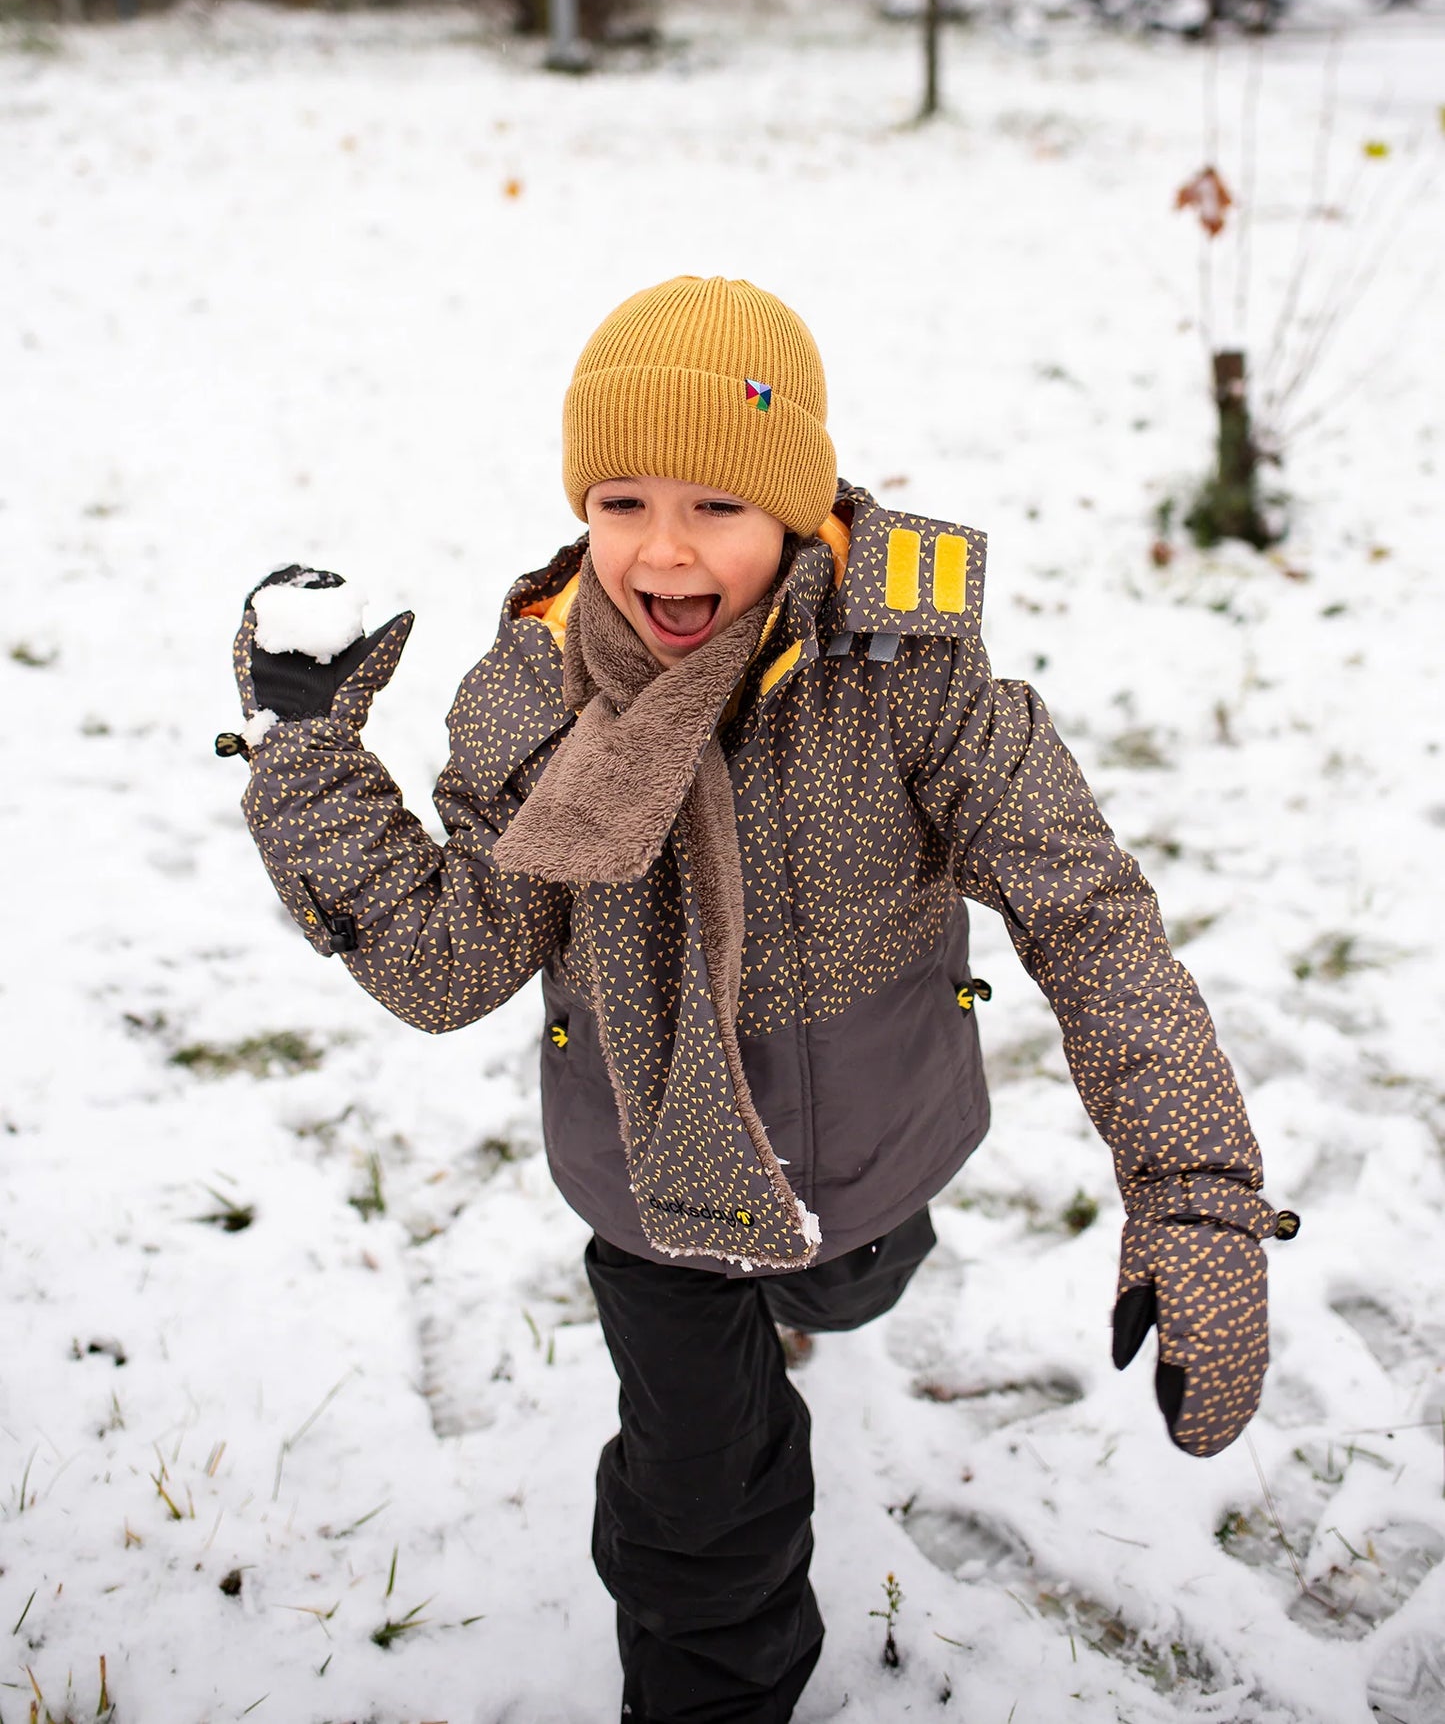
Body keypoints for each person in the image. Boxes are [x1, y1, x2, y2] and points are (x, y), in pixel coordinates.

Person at [223, 273, 1296, 1724]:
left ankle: (821, 1289)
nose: (661, 549)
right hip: (646, 1180)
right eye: (619, 500)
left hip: (871, 1155)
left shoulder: (908, 680)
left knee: (852, 1286)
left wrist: (1193, 1195)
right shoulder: (534, 701)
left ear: (796, 509)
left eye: (716, 505)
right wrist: (303, 756)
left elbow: (1083, 910)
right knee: (696, 1518)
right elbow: (443, 955)